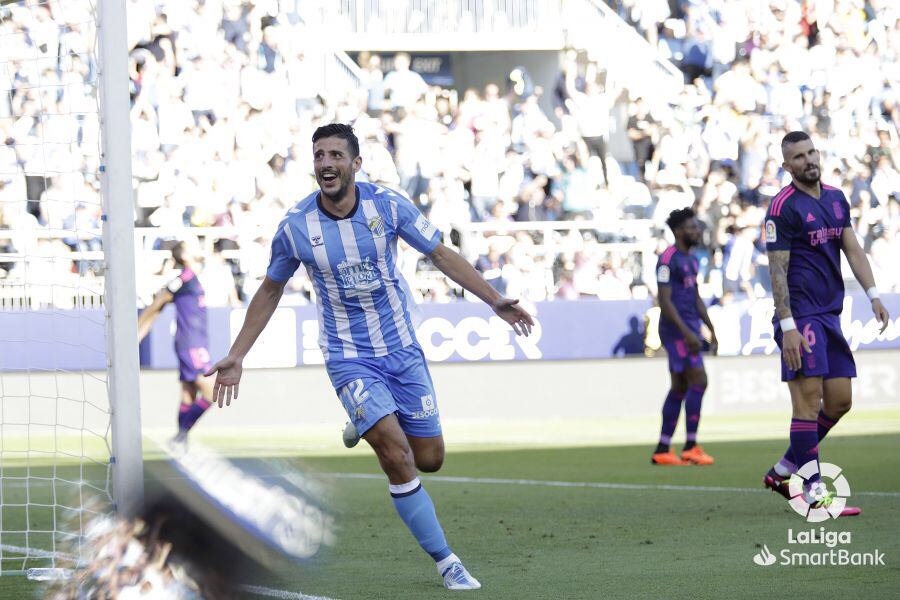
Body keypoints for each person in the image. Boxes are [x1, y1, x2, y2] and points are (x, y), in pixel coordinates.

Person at [206, 124, 534, 590]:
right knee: (397, 455)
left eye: (336, 155)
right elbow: (271, 287)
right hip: (348, 356)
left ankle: (367, 419)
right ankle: (447, 562)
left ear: (355, 164)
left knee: (430, 458)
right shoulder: (297, 227)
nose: (326, 164)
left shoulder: (388, 206)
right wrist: (238, 354)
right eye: (319, 155)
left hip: (401, 348)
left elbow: (440, 254)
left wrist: (493, 299)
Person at [762, 131, 890, 517]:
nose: (808, 160)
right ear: (787, 167)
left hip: (830, 314)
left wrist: (873, 295)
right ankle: (813, 493)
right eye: (798, 157)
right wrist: (787, 327)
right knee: (808, 401)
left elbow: (852, 248)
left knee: (839, 402)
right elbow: (777, 271)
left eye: (811, 152)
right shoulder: (782, 207)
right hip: (800, 317)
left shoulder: (836, 198)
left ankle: (783, 471)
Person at [651, 208, 718, 466]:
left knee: (680, 387)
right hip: (675, 330)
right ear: (679, 231)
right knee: (699, 381)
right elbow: (665, 301)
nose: (696, 231)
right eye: (691, 228)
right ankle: (690, 446)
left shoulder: (691, 259)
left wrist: (710, 327)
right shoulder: (668, 259)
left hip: (688, 327)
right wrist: (688, 332)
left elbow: (696, 297)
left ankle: (663, 448)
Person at [138, 242, 214, 445]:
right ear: (186, 256)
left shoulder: (192, 278)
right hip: (191, 342)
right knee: (210, 392)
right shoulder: (183, 279)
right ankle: (180, 436)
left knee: (189, 392)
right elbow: (158, 303)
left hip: (196, 340)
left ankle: (181, 438)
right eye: (192, 246)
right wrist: (138, 330)